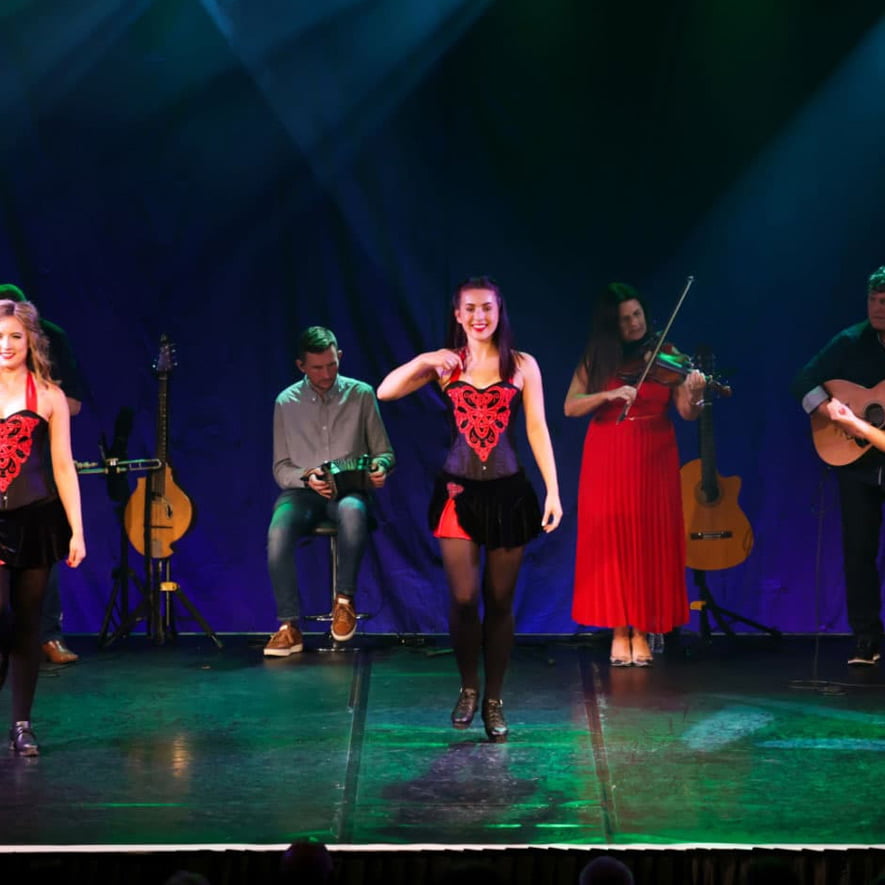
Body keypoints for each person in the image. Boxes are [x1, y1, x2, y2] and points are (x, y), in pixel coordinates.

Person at [378, 276, 562, 742]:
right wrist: (423, 359)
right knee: (463, 598)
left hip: (510, 496)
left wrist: (554, 491)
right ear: (458, 316)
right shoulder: (447, 365)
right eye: (470, 309)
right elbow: (385, 392)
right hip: (458, 494)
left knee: (499, 601)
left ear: (499, 312)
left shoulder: (522, 365)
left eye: (488, 308)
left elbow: (537, 429)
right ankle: (467, 686)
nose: (480, 317)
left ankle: (494, 699)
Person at [564, 283, 705, 666]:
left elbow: (687, 413)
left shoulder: (668, 356)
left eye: (637, 314)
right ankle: (618, 629)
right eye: (625, 319)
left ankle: (641, 628)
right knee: (613, 543)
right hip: (608, 452)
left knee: (647, 539)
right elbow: (571, 406)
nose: (634, 323)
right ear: (612, 324)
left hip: (654, 451)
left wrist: (693, 392)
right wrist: (607, 395)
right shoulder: (599, 357)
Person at [264, 326, 394, 655]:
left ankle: (344, 602)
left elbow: (385, 453)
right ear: (301, 366)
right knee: (278, 531)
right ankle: (288, 626)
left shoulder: (361, 394)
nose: (326, 374)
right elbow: (281, 467)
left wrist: (380, 468)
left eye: (332, 365)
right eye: (318, 368)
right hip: (304, 492)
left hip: (349, 490)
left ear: (340, 357)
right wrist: (306, 478)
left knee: (352, 511)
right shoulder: (286, 402)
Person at [0, 299, 86, 755]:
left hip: (36, 519)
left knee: (29, 623)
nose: (6, 345)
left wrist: (77, 530)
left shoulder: (48, 395)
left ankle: (21, 724)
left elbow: (63, 467)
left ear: (31, 340)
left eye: (15, 335)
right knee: (1, 618)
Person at [791, 265, 885, 666]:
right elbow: (803, 381)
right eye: (874, 299)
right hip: (857, 463)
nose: (879, 307)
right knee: (858, 551)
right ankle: (866, 637)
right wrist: (831, 411)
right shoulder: (850, 341)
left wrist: (857, 422)